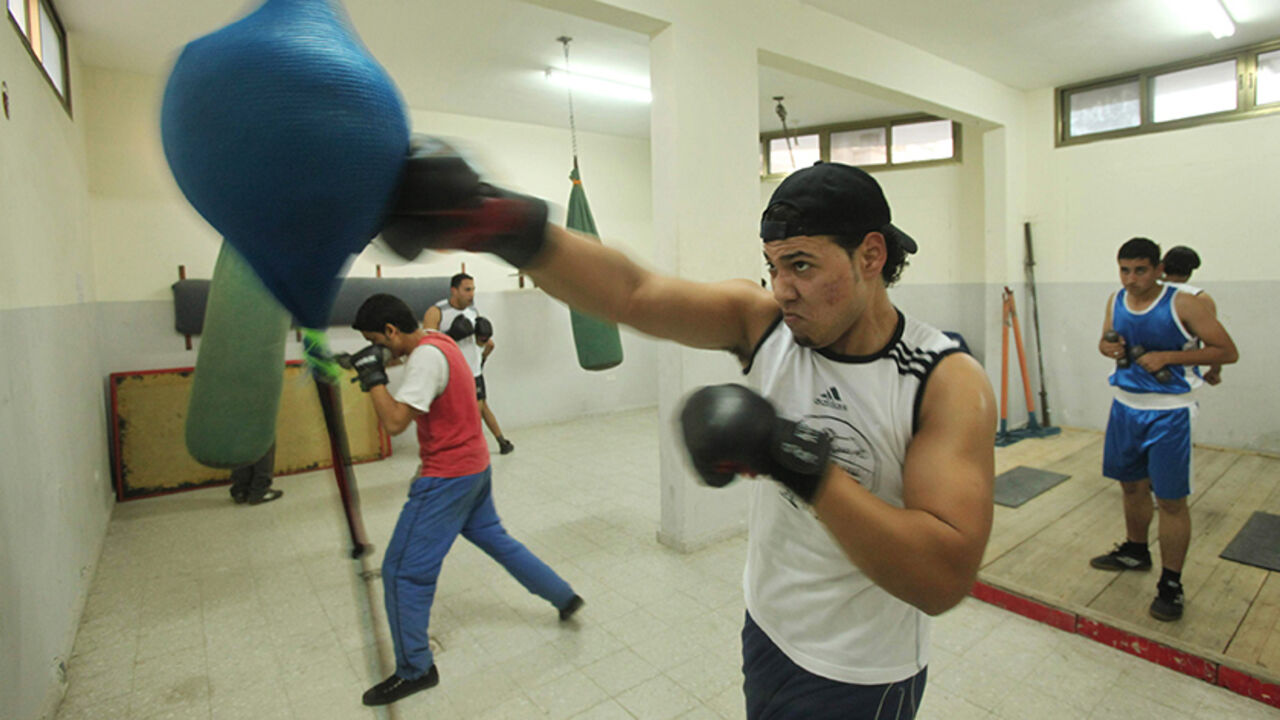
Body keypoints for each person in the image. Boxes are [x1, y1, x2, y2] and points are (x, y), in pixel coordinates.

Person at [379, 141, 996, 720]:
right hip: (768, 628)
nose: (782, 289)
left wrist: (793, 460)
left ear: (871, 255)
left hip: (862, 671)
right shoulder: (767, 326)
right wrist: (501, 223)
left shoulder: (942, 380)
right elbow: (635, 293)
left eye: (802, 265)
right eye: (774, 266)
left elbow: (942, 578)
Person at [347, 293, 583, 706]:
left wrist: (372, 378)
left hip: (448, 478)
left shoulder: (423, 359)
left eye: (379, 343)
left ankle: (416, 669)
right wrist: (372, 364)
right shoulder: (439, 339)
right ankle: (563, 595)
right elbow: (418, 378)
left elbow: (396, 422)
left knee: (402, 572)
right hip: (475, 468)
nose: (381, 352)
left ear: (390, 331)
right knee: (499, 541)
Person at [1094, 237, 1238, 621]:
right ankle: (1135, 550)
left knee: (1172, 501)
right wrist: (1107, 348)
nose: (1131, 278)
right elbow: (1104, 341)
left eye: (1140, 270)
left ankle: (1171, 584)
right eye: (1124, 270)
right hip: (1125, 407)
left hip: (1169, 413)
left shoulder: (1185, 303)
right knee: (1131, 485)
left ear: (1158, 269)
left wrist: (1170, 357)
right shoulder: (1116, 300)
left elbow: (1227, 351)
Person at [423, 273, 514, 454]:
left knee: (479, 408)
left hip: (473, 371)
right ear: (454, 290)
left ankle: (500, 442)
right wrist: (451, 336)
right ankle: (455, 447)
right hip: (451, 374)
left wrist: (483, 341)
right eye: (467, 290)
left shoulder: (472, 312)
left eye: (473, 289)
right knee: (460, 413)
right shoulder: (437, 311)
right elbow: (426, 345)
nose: (471, 294)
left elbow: (480, 344)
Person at [1161, 245, 1222, 385]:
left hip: (1139, 376)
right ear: (1190, 271)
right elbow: (1213, 343)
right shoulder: (1200, 298)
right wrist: (1215, 370)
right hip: (1182, 377)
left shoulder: (1145, 294)